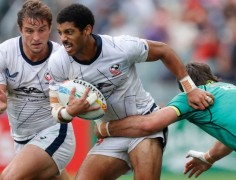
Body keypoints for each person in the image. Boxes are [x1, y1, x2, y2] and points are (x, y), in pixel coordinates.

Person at [47, 3, 213, 180]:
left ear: (87, 30)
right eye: (61, 32)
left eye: (69, 32)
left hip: (145, 124)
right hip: (112, 133)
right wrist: (68, 112)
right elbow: (55, 108)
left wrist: (190, 89)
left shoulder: (120, 47)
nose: (63, 39)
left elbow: (164, 51)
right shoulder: (58, 62)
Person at [97, 62, 236, 179]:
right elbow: (230, 135)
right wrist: (209, 157)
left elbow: (150, 124)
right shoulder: (233, 89)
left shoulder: (194, 95)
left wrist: (105, 128)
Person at [0, 0, 75, 179]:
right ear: (20, 29)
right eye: (29, 31)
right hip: (22, 141)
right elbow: (1, 99)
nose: (36, 37)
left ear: (50, 29)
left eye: (41, 30)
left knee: (9, 178)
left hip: (55, 133)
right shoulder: (5, 52)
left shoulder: (62, 59)